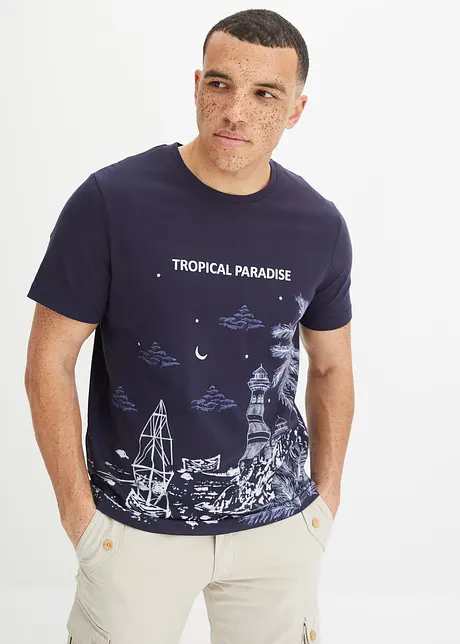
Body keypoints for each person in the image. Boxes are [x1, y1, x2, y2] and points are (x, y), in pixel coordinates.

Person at [24, 8, 354, 644]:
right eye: (221, 84)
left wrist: (324, 502)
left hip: (278, 532)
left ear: (296, 110)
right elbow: (49, 359)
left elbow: (332, 364)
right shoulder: (111, 202)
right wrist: (79, 516)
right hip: (132, 534)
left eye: (266, 94)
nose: (236, 112)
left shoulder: (319, 225)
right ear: (197, 85)